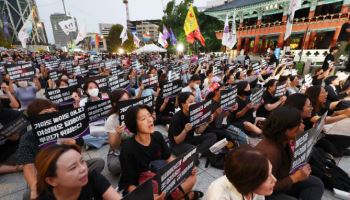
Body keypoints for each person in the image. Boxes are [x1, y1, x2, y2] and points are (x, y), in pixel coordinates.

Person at [17, 99, 105, 200]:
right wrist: (34, 187)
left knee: (98, 163)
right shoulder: (28, 137)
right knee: (28, 195)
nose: (51, 115)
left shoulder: (65, 128)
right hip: (47, 175)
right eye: (45, 113)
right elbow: (28, 165)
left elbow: (78, 156)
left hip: (70, 169)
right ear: (34, 119)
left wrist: (74, 144)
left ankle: (72, 185)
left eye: (53, 112)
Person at [119, 105, 202, 199]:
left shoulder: (157, 136)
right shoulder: (128, 149)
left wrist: (185, 168)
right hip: (143, 187)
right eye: (143, 119)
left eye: (149, 115)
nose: (150, 120)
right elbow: (130, 185)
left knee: (192, 178)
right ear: (134, 124)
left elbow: (169, 158)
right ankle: (187, 197)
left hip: (163, 180)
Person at [255, 106, 324, 200]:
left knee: (315, 183)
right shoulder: (271, 152)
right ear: (286, 129)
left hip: (282, 182)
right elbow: (261, 187)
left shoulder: (284, 141)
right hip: (264, 194)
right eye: (299, 124)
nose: (303, 126)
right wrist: (294, 178)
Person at [35, 144, 121, 200]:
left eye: (82, 161)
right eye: (73, 168)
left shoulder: (93, 177)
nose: (83, 168)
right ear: (52, 180)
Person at [285, 93, 350, 157]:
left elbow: (333, 114)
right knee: (329, 147)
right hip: (312, 143)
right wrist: (345, 115)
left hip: (317, 137)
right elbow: (324, 120)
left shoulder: (317, 108)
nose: (326, 94)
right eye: (309, 106)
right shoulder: (291, 122)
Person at [205, 145, 276, 200]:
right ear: (248, 181)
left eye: (271, 173)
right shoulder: (219, 196)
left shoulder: (254, 187)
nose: (274, 179)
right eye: (266, 177)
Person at [168, 92, 217, 156]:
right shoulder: (176, 118)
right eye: (191, 102)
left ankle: (198, 153)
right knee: (192, 149)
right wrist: (185, 130)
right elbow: (177, 141)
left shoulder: (194, 114)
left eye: (194, 101)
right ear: (183, 104)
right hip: (177, 145)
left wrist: (207, 122)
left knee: (212, 136)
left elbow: (198, 131)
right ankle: (198, 153)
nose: (193, 103)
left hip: (189, 140)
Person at [104, 89, 133, 175]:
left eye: (128, 100)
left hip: (134, 144)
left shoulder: (134, 113)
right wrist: (118, 133)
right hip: (119, 149)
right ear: (115, 104)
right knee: (114, 166)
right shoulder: (111, 120)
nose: (127, 103)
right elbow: (113, 145)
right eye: (124, 101)